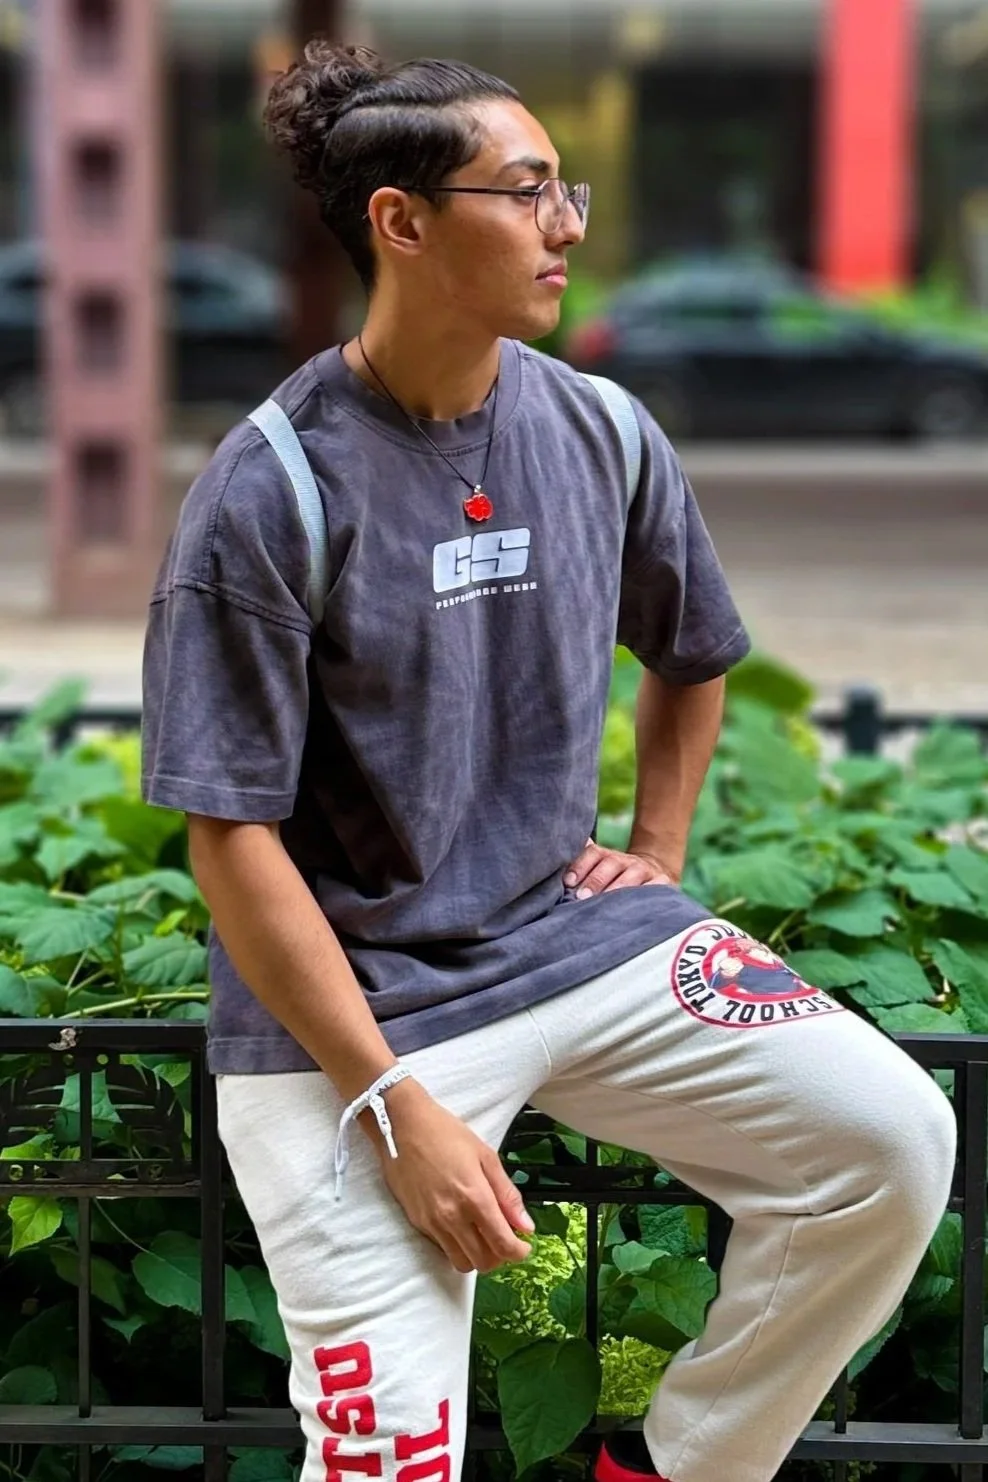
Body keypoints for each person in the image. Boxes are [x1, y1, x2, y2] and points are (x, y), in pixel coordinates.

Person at [140, 40, 956, 1482]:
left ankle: (679, 1465)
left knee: (889, 1142)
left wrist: (657, 845)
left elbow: (695, 650)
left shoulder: (602, 428)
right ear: (401, 221)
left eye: (562, 188)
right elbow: (231, 839)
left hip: (569, 937)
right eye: (525, 192)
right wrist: (393, 1103)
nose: (567, 225)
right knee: (388, 1461)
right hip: (349, 1018)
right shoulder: (270, 487)